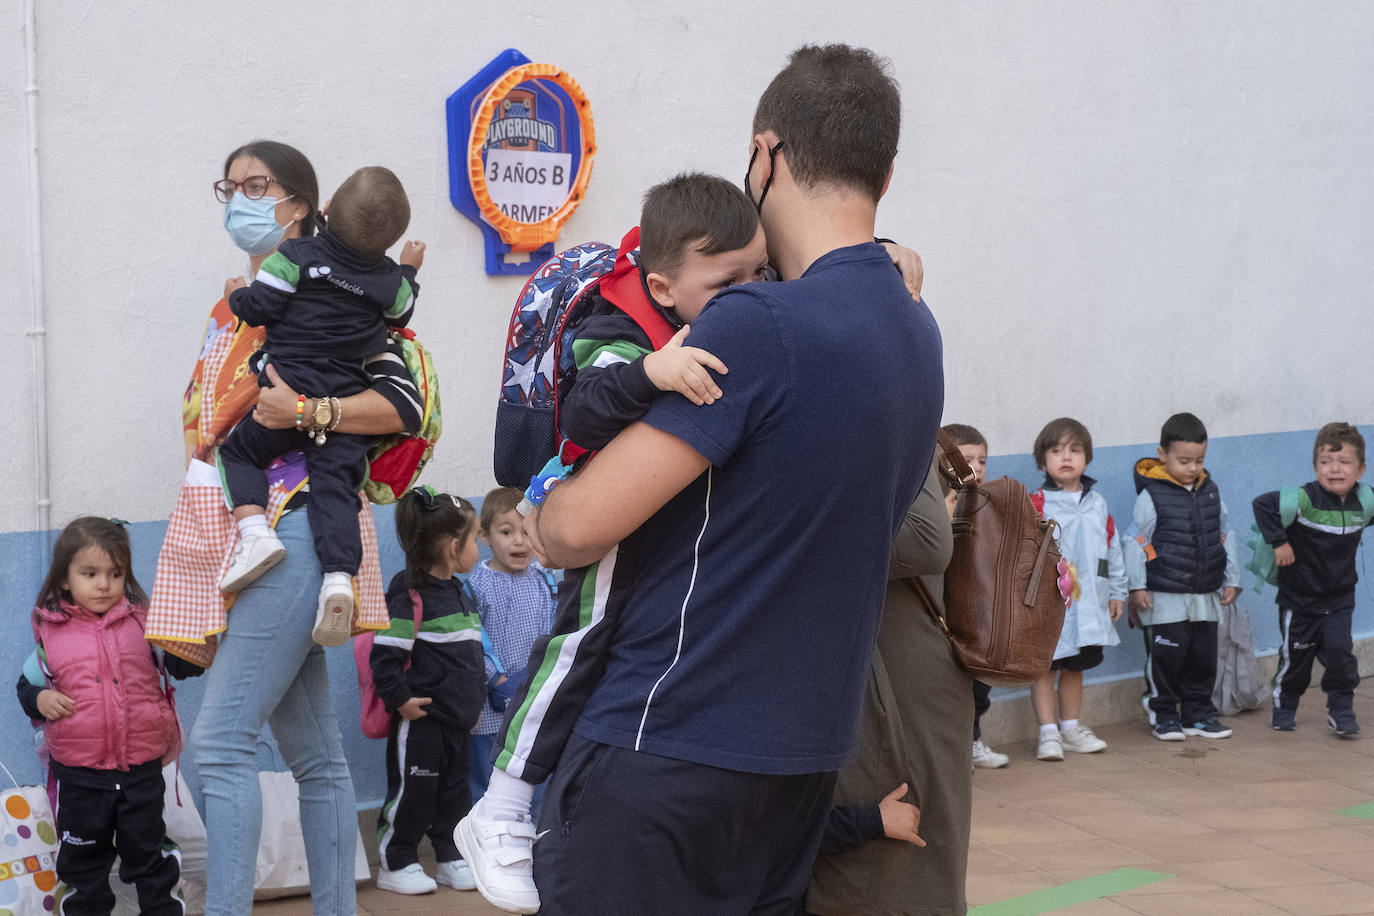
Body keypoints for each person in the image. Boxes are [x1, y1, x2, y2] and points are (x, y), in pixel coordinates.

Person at [507, 45, 941, 913]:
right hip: (801, 760)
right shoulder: (914, 327)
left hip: (667, 743)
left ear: (765, 152)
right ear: (884, 176)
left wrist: (544, 501)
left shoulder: (753, 325)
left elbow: (577, 528)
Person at [148, 140, 421, 916]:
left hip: (301, 526)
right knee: (318, 759)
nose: (239, 199)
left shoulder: (347, 293)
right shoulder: (240, 303)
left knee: (222, 744)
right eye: (228, 186)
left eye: (257, 185)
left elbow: (406, 406)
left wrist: (307, 412)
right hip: (249, 531)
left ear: (306, 205)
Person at [216, 165, 424, 647]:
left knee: (240, 453)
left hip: (284, 386)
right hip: (344, 403)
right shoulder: (388, 279)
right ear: (391, 239)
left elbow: (260, 307)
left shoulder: (296, 255)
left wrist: (235, 296)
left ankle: (255, 536)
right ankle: (337, 580)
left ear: (324, 208)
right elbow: (402, 311)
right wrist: (409, 269)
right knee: (337, 490)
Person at [807, 461, 974, 915]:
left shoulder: (900, 431)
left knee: (898, 867)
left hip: (902, 691)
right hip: (872, 681)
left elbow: (926, 543)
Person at [16, 518, 184, 915]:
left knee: (150, 861)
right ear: (65, 580)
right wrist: (40, 700)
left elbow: (180, 664)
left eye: (115, 573)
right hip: (80, 779)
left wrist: (196, 640)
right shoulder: (52, 635)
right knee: (83, 870)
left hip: (140, 772)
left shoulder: (145, 624)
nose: (104, 584)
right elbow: (25, 687)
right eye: (90, 573)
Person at [370, 488, 485, 895]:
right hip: (421, 722)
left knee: (454, 796)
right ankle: (395, 861)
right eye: (475, 539)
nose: (479, 546)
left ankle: (451, 858)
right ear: (455, 546)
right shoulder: (409, 591)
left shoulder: (459, 590)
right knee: (413, 794)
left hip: (457, 722)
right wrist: (401, 700)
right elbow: (385, 654)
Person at [1125, 412, 1241, 741]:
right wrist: (1137, 585)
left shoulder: (1210, 491)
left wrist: (1231, 578)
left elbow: (1224, 534)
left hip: (1204, 595)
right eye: (1184, 460)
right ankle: (1163, 713)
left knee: (1202, 658)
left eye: (1199, 460)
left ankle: (1198, 714)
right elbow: (1136, 542)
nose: (1192, 468)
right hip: (1164, 597)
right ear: (1163, 455)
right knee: (1167, 657)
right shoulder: (1152, 496)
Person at [1253, 422, 1371, 736]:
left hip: (1339, 600)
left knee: (1340, 656)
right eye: (1325, 462)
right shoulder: (1305, 499)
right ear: (1315, 466)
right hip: (1299, 600)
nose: (1335, 469)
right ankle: (1286, 705)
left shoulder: (1364, 503)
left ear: (1360, 470)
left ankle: (1341, 709)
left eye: (1344, 462)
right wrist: (1280, 542)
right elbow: (1262, 505)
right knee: (1297, 659)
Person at [1029, 418, 1126, 761]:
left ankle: (1071, 728)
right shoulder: (1036, 505)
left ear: (1087, 458)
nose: (1065, 457)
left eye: (1074, 450)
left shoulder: (1098, 504)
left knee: (1074, 668)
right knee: (1044, 668)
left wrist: (1117, 592)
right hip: (1049, 607)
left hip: (1089, 606)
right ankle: (1048, 733)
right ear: (1042, 461)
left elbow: (1112, 552)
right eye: (1056, 451)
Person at [467, 487, 556, 808]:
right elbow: (472, 637)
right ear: (484, 537)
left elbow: (552, 630)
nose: (519, 541)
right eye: (506, 531)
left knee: (530, 773)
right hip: (490, 705)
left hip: (532, 701)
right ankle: (485, 843)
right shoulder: (477, 584)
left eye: (526, 530)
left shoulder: (543, 579)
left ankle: (531, 839)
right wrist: (496, 679)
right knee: (487, 779)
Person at [942, 423, 1010, 770]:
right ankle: (953, 749)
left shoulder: (991, 503)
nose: (977, 467)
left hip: (981, 611)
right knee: (949, 687)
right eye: (968, 459)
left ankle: (973, 741)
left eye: (982, 460)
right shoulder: (941, 504)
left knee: (978, 685)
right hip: (947, 611)